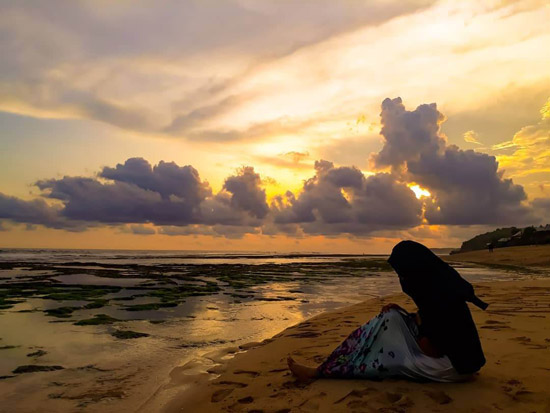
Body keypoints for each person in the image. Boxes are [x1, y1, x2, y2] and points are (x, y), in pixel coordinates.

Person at [287, 240, 488, 382]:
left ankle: (322, 372)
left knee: (387, 355)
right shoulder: (442, 286)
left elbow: (431, 349)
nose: (402, 280)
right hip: (463, 364)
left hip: (454, 368)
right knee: (391, 318)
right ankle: (331, 366)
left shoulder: (440, 299)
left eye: (403, 274)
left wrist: (401, 340)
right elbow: (429, 323)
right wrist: (406, 318)